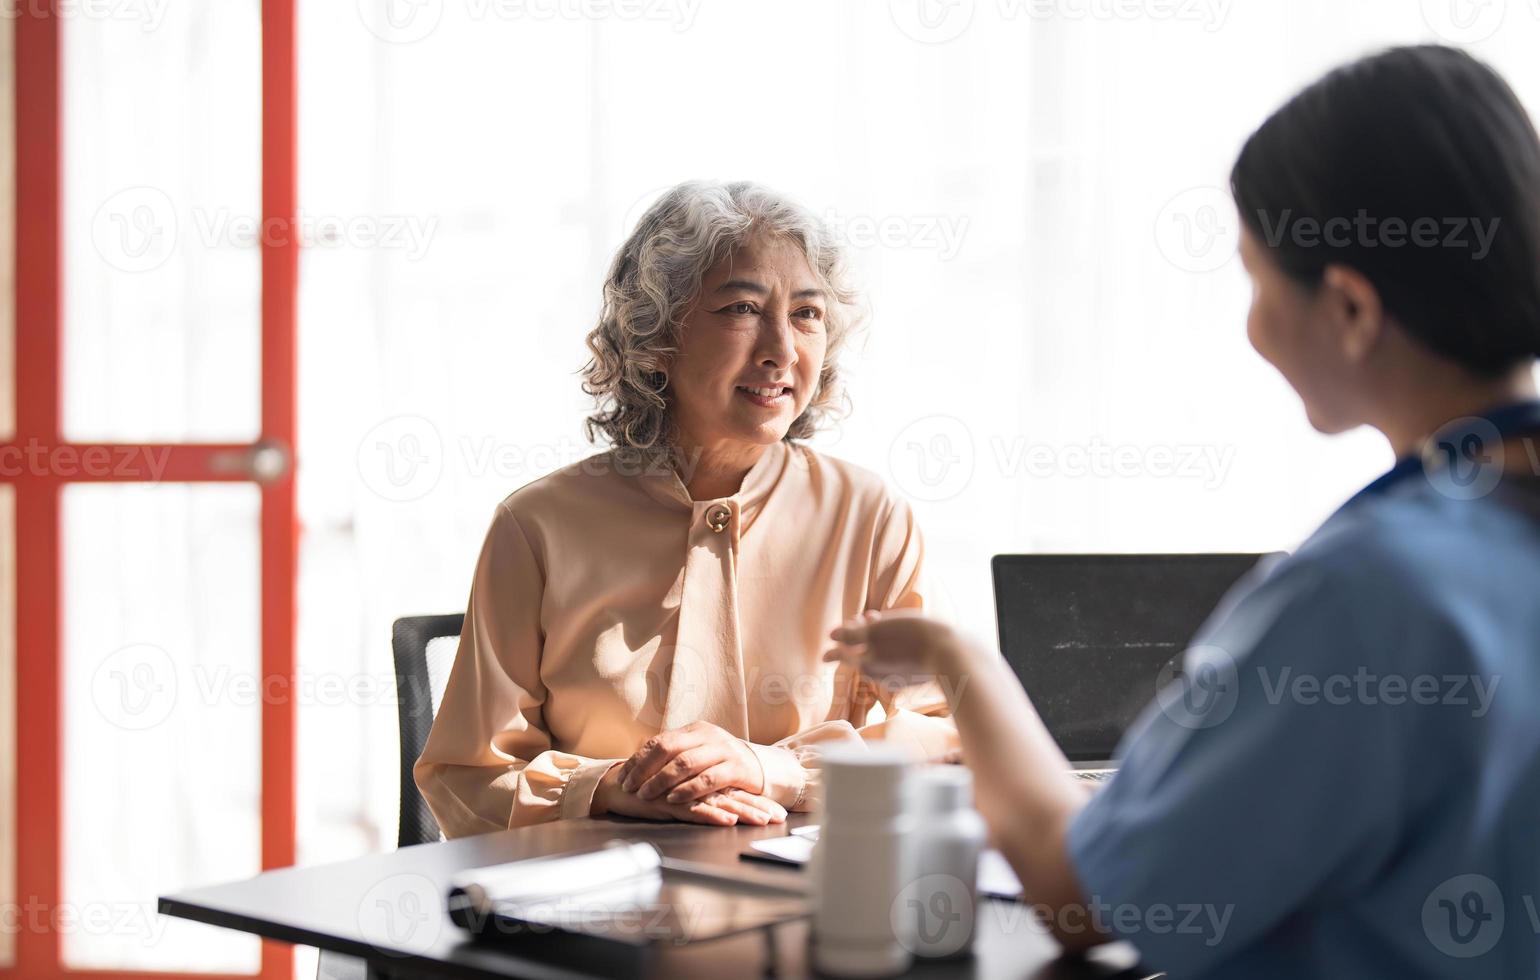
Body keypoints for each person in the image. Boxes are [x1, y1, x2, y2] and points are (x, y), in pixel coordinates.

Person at [826, 46, 1540, 978]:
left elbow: (1083, 891)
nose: (1251, 327)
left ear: (1354, 310)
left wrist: (954, 659)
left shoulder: (1368, 590)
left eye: (1254, 278)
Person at [415, 180, 956, 837]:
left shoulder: (867, 514)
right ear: (656, 335)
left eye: (808, 314)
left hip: (796, 906)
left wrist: (772, 769)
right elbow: (466, 780)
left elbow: (945, 737)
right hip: (593, 902)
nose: (782, 350)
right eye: (742, 309)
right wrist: (608, 786)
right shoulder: (537, 527)